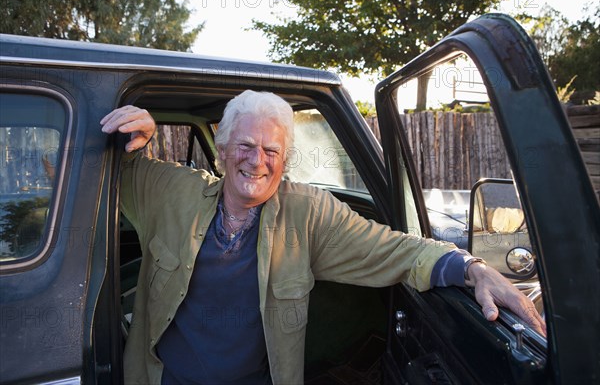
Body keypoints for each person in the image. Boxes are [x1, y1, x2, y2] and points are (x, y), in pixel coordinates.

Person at [100, 90, 546, 384]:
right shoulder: (171, 192)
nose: (257, 162)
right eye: (245, 146)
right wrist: (135, 132)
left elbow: (393, 248)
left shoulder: (308, 212)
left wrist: (473, 268)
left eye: (271, 150)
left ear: (284, 158)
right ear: (221, 150)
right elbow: (114, 170)